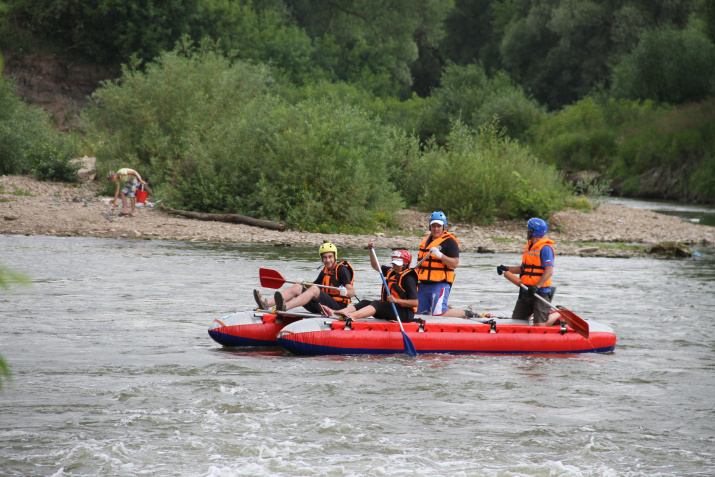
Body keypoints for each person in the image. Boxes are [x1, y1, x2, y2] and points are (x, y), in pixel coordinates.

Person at [322, 244, 418, 322]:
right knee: (365, 302)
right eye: (394, 263)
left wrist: (397, 301)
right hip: (392, 308)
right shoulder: (391, 271)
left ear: (406, 264)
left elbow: (415, 302)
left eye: (398, 264)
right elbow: (375, 265)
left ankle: (352, 316)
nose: (395, 266)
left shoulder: (409, 278)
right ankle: (337, 312)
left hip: (404, 314)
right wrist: (372, 251)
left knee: (377, 304)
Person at [253, 242, 355, 314]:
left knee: (314, 289)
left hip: (337, 308)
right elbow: (314, 286)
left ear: (334, 256)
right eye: (324, 257)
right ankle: (267, 303)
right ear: (321, 258)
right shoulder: (325, 270)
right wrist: (303, 283)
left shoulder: (342, 270)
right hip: (322, 305)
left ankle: (286, 306)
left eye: (330, 257)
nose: (327, 260)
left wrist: (345, 292)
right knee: (297, 287)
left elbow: (352, 292)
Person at [497, 217, 560, 326]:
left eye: (528, 229)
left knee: (539, 326)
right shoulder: (529, 247)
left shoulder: (545, 248)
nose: (526, 231)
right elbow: (524, 269)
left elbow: (549, 271)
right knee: (517, 322)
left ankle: (559, 313)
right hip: (526, 290)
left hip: (540, 292)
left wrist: (536, 287)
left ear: (533, 231)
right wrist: (506, 268)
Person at [415, 211, 460, 315]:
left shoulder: (450, 242)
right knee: (417, 313)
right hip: (423, 284)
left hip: (440, 284)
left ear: (443, 226)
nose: (436, 229)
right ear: (430, 226)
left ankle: (467, 313)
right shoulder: (426, 242)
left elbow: (454, 264)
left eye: (439, 226)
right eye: (433, 226)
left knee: (438, 313)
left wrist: (439, 255)